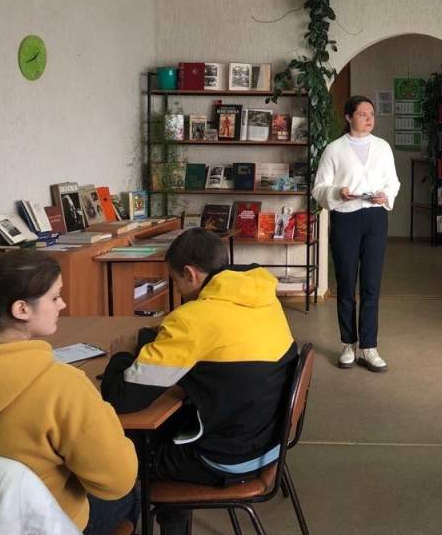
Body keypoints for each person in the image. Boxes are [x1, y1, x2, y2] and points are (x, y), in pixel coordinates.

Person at [101, 228, 296, 535]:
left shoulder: (194, 320)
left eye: (175, 280)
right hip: (270, 442)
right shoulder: (260, 296)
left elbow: (122, 398)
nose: (177, 290)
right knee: (169, 421)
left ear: (190, 273)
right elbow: (212, 339)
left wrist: (122, 354)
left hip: (226, 457)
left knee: (114, 452)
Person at [0, 250, 138, 534]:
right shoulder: (63, 386)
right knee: (130, 495)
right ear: (21, 309)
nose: (63, 304)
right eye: (55, 297)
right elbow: (116, 481)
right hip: (48, 523)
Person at [313, 95, 400, 372]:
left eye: (371, 114)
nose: (369, 118)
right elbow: (319, 188)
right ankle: (348, 344)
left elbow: (393, 182)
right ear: (349, 117)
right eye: (362, 114)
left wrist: (386, 195)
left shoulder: (382, 147)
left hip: (375, 218)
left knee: (371, 285)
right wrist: (337, 192)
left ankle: (369, 347)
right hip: (345, 219)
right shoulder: (334, 149)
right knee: (346, 283)